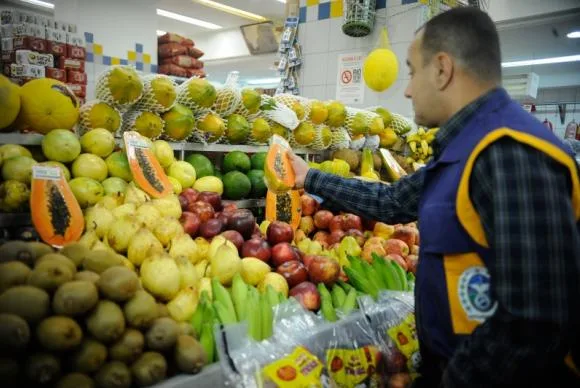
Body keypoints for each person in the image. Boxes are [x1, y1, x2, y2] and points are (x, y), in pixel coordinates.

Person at [289, 7, 580, 387]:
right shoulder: (464, 149)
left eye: (411, 71)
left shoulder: (509, 153)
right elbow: (391, 202)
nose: (407, 89)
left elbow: (534, 323)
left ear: (442, 69)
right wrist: (309, 176)